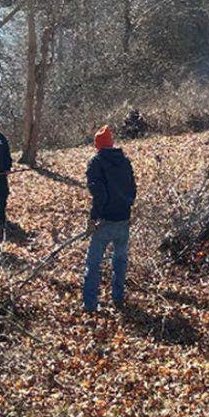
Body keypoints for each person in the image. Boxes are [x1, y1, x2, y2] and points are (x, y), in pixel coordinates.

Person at [83, 125, 137, 312]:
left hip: (105, 222)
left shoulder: (96, 163)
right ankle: (118, 297)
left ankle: (90, 305)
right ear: (111, 143)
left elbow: (100, 196)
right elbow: (132, 190)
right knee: (120, 261)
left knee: (93, 263)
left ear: (98, 145)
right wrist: (127, 209)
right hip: (124, 220)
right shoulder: (125, 161)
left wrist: (93, 219)